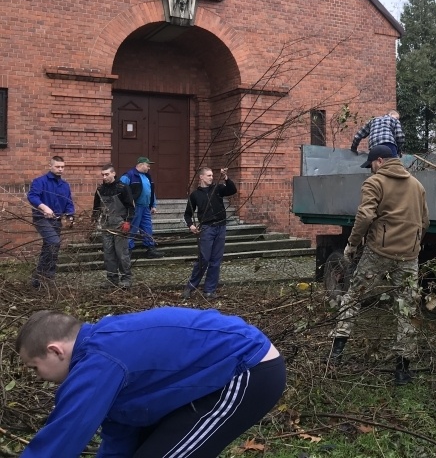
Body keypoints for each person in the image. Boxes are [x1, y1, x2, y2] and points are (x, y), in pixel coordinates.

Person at [15, 307, 286, 458]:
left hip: (248, 369)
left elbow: (63, 436)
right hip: (217, 376)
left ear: (55, 350)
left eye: (35, 368)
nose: (39, 378)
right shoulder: (102, 355)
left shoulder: (100, 360)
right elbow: (120, 434)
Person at [328, 144, 429, 385]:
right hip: (409, 255)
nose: (370, 170)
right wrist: (414, 243)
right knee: (406, 308)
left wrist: (352, 245)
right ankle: (402, 370)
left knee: (353, 296)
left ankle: (335, 355)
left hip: (378, 252)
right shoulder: (417, 185)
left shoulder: (375, 183)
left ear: (380, 161)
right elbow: (425, 221)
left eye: (371, 165)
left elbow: (365, 216)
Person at [182, 167, 237, 300]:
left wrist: (226, 177)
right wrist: (191, 225)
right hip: (207, 228)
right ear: (201, 177)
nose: (211, 177)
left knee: (216, 260)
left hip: (220, 227)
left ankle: (209, 290)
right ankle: (190, 287)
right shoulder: (195, 195)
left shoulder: (217, 189)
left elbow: (232, 190)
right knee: (204, 259)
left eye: (212, 175)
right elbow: (187, 214)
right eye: (208, 175)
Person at [27, 156, 75, 288]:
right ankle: (43, 277)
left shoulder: (65, 185)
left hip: (57, 221)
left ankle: (43, 279)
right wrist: (43, 207)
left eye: (62, 167)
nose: (60, 169)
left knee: (51, 248)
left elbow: (69, 203)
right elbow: (32, 196)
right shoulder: (40, 181)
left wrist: (70, 216)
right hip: (42, 219)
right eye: (57, 166)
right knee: (54, 242)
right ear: (50, 166)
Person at [91, 164, 135, 289]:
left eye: (107, 174)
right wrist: (94, 220)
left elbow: (131, 207)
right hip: (106, 224)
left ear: (114, 174)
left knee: (121, 253)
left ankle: (126, 278)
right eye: (103, 175)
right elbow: (96, 208)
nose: (104, 177)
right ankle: (112, 279)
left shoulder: (123, 188)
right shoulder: (100, 190)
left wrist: (128, 221)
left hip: (120, 223)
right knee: (108, 253)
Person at [120, 157, 163, 258]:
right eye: (147, 165)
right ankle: (128, 250)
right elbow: (121, 191)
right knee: (132, 228)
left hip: (145, 207)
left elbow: (151, 192)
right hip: (135, 208)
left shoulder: (147, 177)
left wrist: (153, 205)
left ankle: (150, 249)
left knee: (147, 228)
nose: (149, 167)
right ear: (140, 164)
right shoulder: (129, 176)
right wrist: (127, 205)